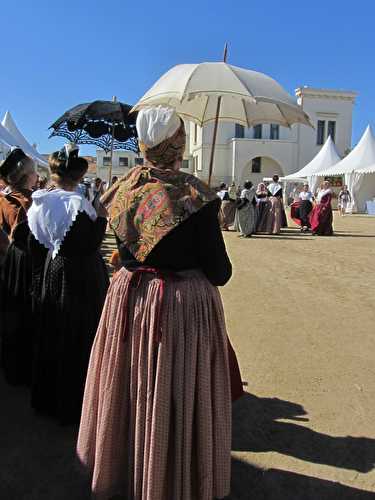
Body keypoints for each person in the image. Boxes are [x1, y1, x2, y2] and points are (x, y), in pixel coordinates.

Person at [77, 106, 243, 500]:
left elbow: (124, 251)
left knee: (132, 388)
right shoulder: (194, 195)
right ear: (177, 144)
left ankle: (130, 469)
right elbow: (220, 272)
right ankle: (174, 476)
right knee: (173, 392)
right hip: (179, 309)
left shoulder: (121, 189)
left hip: (130, 301)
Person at [27, 144, 109, 424]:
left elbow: (37, 242)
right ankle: (72, 403)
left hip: (54, 267)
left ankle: (48, 397)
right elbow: (86, 245)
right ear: (77, 175)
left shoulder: (40, 199)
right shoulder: (75, 204)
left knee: (55, 329)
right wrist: (102, 218)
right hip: (79, 275)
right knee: (78, 332)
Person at [0, 147, 38, 385]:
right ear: (26, 176)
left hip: (8, 266)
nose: (37, 176)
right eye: (34, 173)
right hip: (21, 266)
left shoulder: (5, 199)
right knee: (22, 318)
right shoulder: (24, 203)